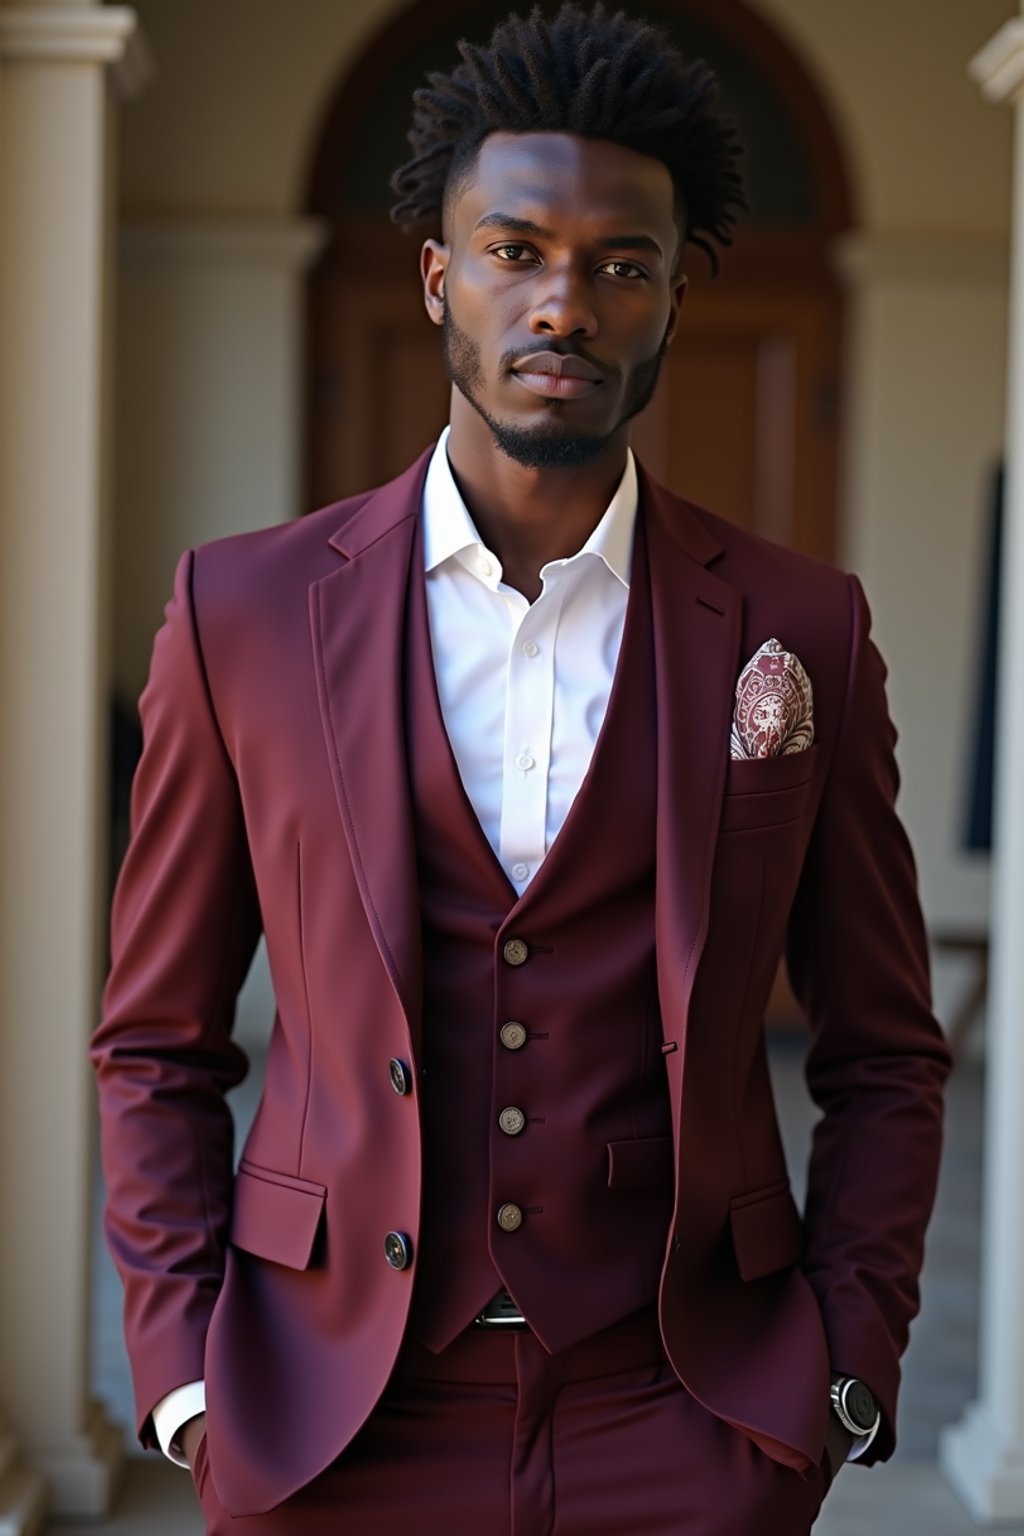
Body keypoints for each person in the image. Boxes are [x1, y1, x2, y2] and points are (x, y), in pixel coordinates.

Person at [90, 5, 952, 1532]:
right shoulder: (240, 616)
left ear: (678, 297)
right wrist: (185, 1383)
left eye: (622, 265)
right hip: (331, 1416)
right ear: (441, 275)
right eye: (516, 250)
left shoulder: (798, 628)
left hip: (685, 1410)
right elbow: (159, 1040)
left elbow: (883, 1045)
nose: (566, 302)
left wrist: (845, 1367)